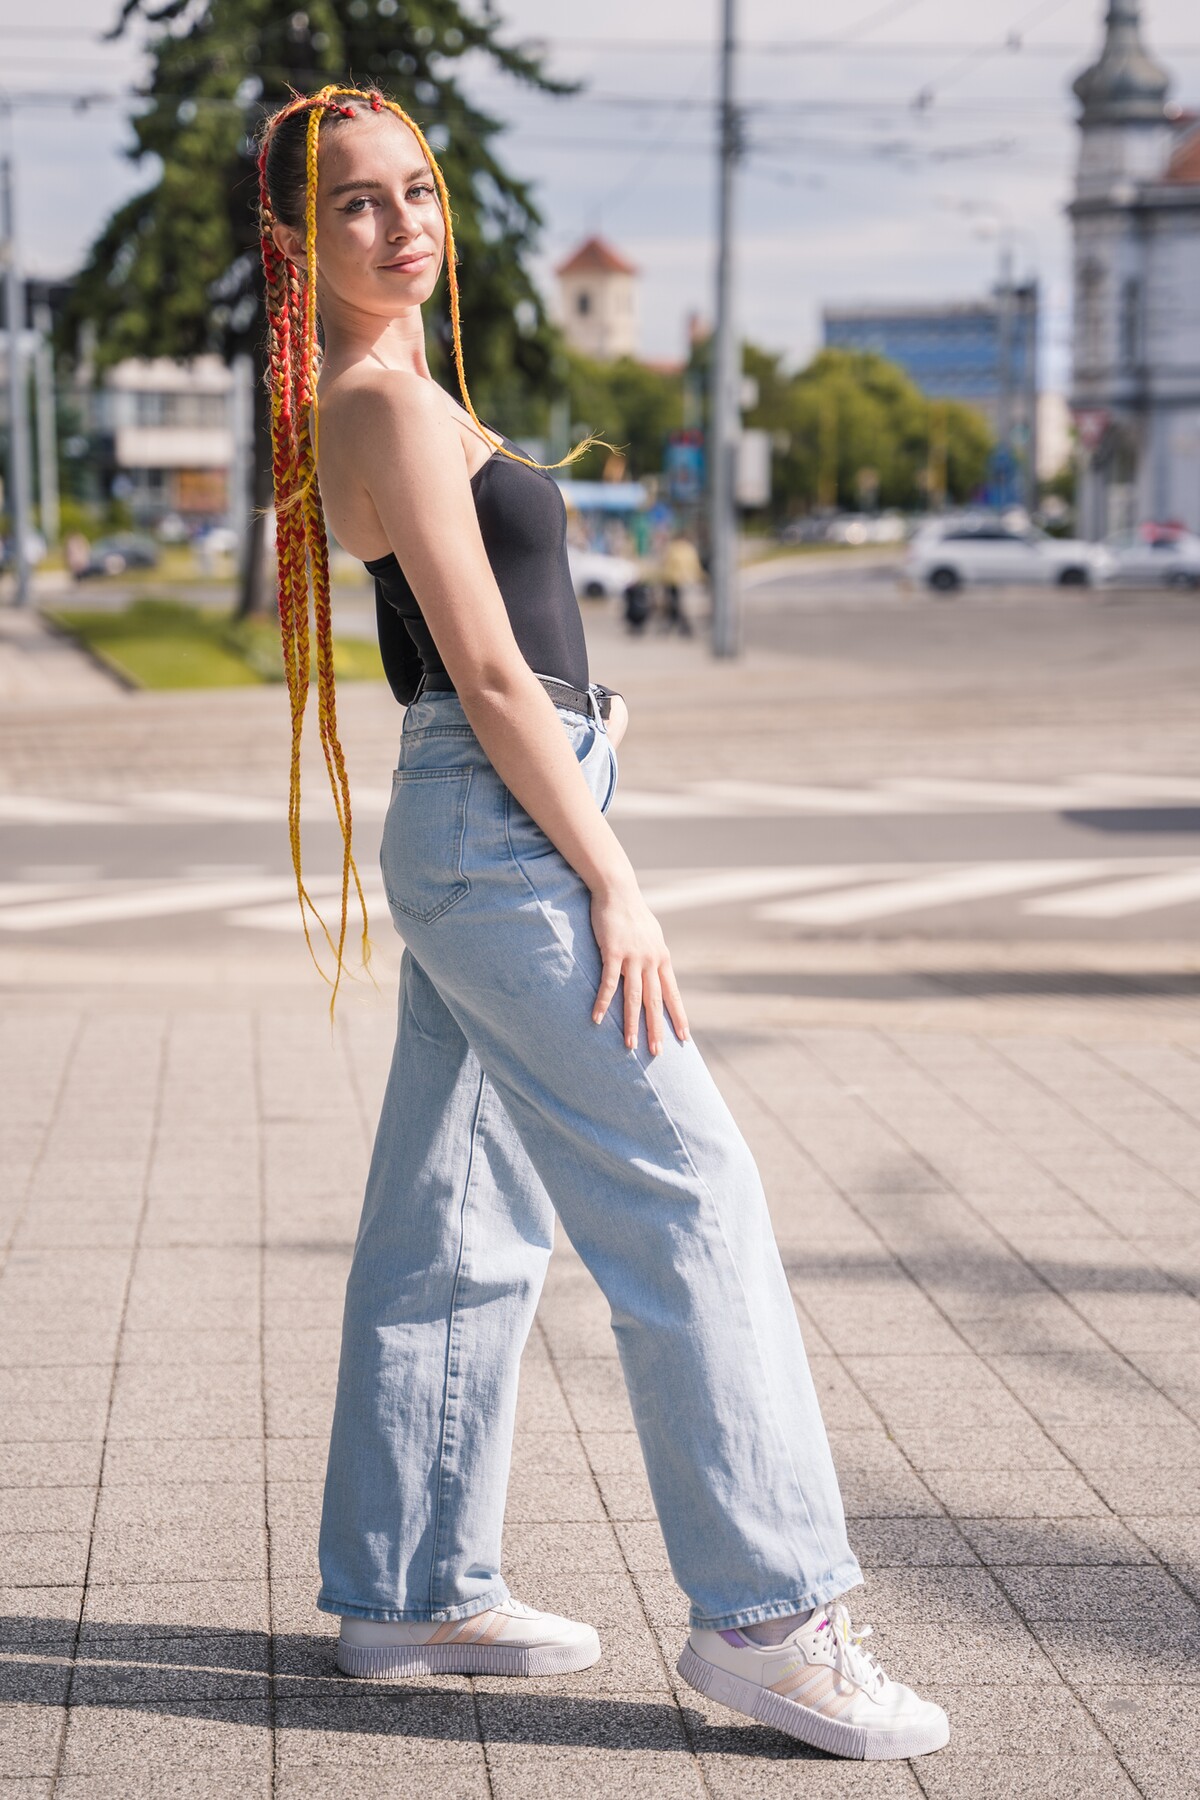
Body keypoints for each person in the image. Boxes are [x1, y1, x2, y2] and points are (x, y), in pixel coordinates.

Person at [256, 85, 949, 1763]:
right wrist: (611, 878)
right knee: (688, 1185)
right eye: (352, 204)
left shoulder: (403, 390)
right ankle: (771, 1614)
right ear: (292, 240)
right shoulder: (381, 401)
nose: (399, 222)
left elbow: (503, 664)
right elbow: (488, 674)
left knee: (457, 1217)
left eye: (412, 190)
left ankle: (410, 1586)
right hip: (505, 832)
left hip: (499, 815)